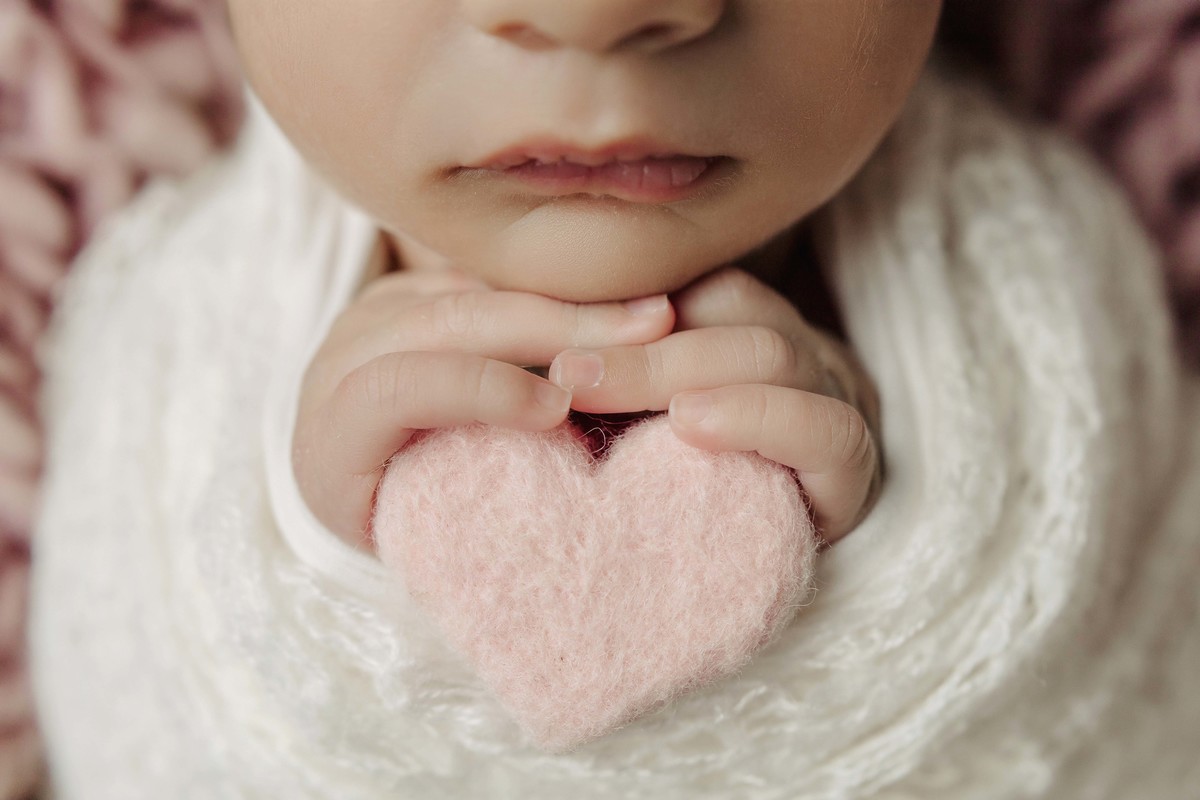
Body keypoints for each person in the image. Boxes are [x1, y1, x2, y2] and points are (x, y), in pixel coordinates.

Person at [29, 1, 1200, 797]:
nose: (597, 9)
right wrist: (309, 561)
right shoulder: (178, 332)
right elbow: (128, 712)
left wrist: (903, 540)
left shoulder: (1038, 287)